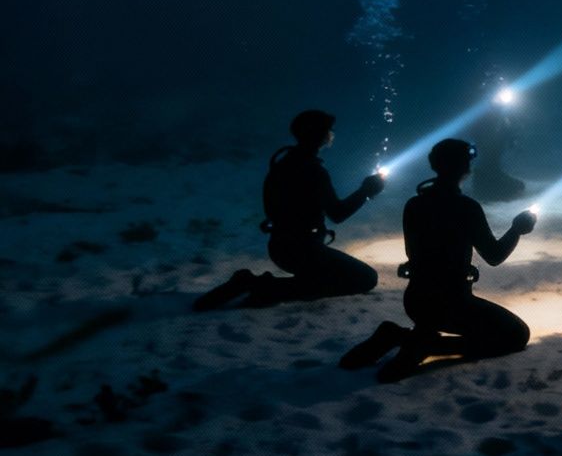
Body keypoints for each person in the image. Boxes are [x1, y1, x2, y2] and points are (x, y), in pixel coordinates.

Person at [339, 139, 535, 382]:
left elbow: (416, 254)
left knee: (494, 329)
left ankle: (400, 336)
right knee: (515, 335)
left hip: (416, 301)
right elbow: (494, 256)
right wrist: (517, 229)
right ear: (464, 167)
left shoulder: (414, 204)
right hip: (452, 302)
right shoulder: (467, 208)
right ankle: (423, 345)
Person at [194, 110, 383, 310]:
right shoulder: (314, 171)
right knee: (365, 279)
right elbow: (337, 214)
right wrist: (366, 191)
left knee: (327, 275)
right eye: (328, 130)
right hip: (303, 250)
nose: (332, 134)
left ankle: (256, 285)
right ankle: (258, 285)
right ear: (319, 135)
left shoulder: (282, 164)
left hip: (280, 246)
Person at [470, 86, 527, 203]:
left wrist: (513, 139)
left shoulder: (504, 120)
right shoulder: (485, 120)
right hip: (486, 164)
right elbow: (476, 134)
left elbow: (511, 133)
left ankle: (491, 181)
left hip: (492, 163)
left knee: (518, 186)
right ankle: (487, 183)